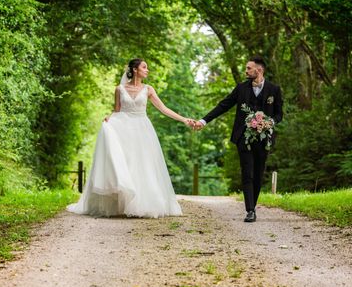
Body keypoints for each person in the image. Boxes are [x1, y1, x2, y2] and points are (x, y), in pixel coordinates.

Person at [67, 58, 194, 218]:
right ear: (135, 69)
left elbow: (163, 109)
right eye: (144, 67)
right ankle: (122, 203)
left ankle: (141, 204)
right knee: (125, 163)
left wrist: (184, 119)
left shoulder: (148, 89)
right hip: (123, 129)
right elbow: (117, 110)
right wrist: (109, 117)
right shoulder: (119, 89)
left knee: (142, 165)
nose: (147, 70)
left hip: (142, 129)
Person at [194, 56, 283, 222]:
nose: (246, 71)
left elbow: (279, 114)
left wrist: (269, 122)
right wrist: (203, 121)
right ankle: (250, 210)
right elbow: (224, 105)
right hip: (243, 136)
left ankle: (253, 205)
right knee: (247, 172)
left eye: (249, 68)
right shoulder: (241, 88)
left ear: (259, 70)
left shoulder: (274, 89)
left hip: (264, 138)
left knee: (258, 173)